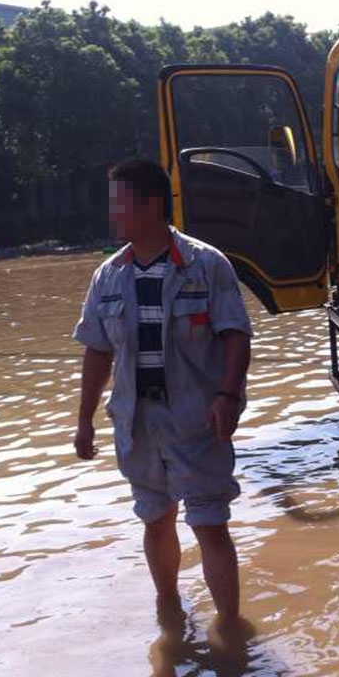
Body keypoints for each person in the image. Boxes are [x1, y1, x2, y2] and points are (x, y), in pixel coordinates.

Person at [73, 158, 252, 623]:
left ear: (151, 206)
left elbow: (236, 335)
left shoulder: (206, 265)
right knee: (155, 517)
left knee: (209, 523)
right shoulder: (108, 277)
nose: (112, 216)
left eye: (120, 205)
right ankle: (169, 609)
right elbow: (96, 353)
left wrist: (228, 397)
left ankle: (230, 628)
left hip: (198, 418)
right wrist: (83, 421)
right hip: (138, 421)